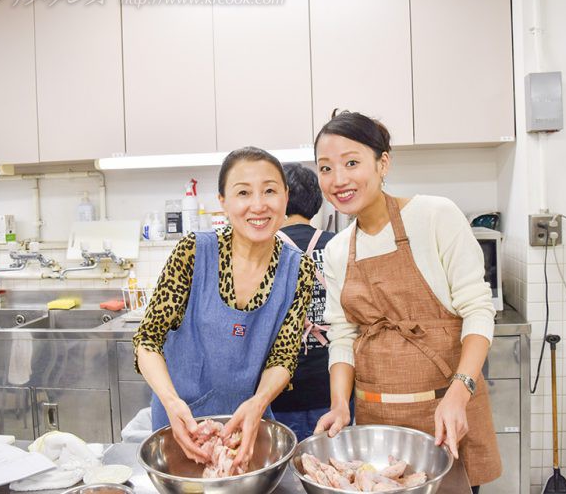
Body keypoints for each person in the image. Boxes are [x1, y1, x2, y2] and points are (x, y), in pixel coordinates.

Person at [312, 112, 501, 492]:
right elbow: (343, 337)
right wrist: (338, 405)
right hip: (377, 425)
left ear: (383, 163)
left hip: (445, 415)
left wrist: (459, 393)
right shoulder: (336, 250)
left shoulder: (435, 216)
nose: (339, 179)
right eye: (326, 168)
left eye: (352, 163)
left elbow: (478, 310)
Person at [133, 147, 315, 471]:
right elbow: (148, 340)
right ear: (223, 201)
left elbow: (283, 356)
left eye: (270, 190)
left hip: (249, 424)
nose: (258, 205)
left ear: (286, 196)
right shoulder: (194, 252)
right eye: (243, 192)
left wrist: (258, 403)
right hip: (181, 421)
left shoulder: (299, 269)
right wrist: (172, 403)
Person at [270, 163, 336, 442]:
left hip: (280, 385)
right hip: (333, 384)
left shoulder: (265, 249)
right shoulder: (339, 244)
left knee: (284, 472)